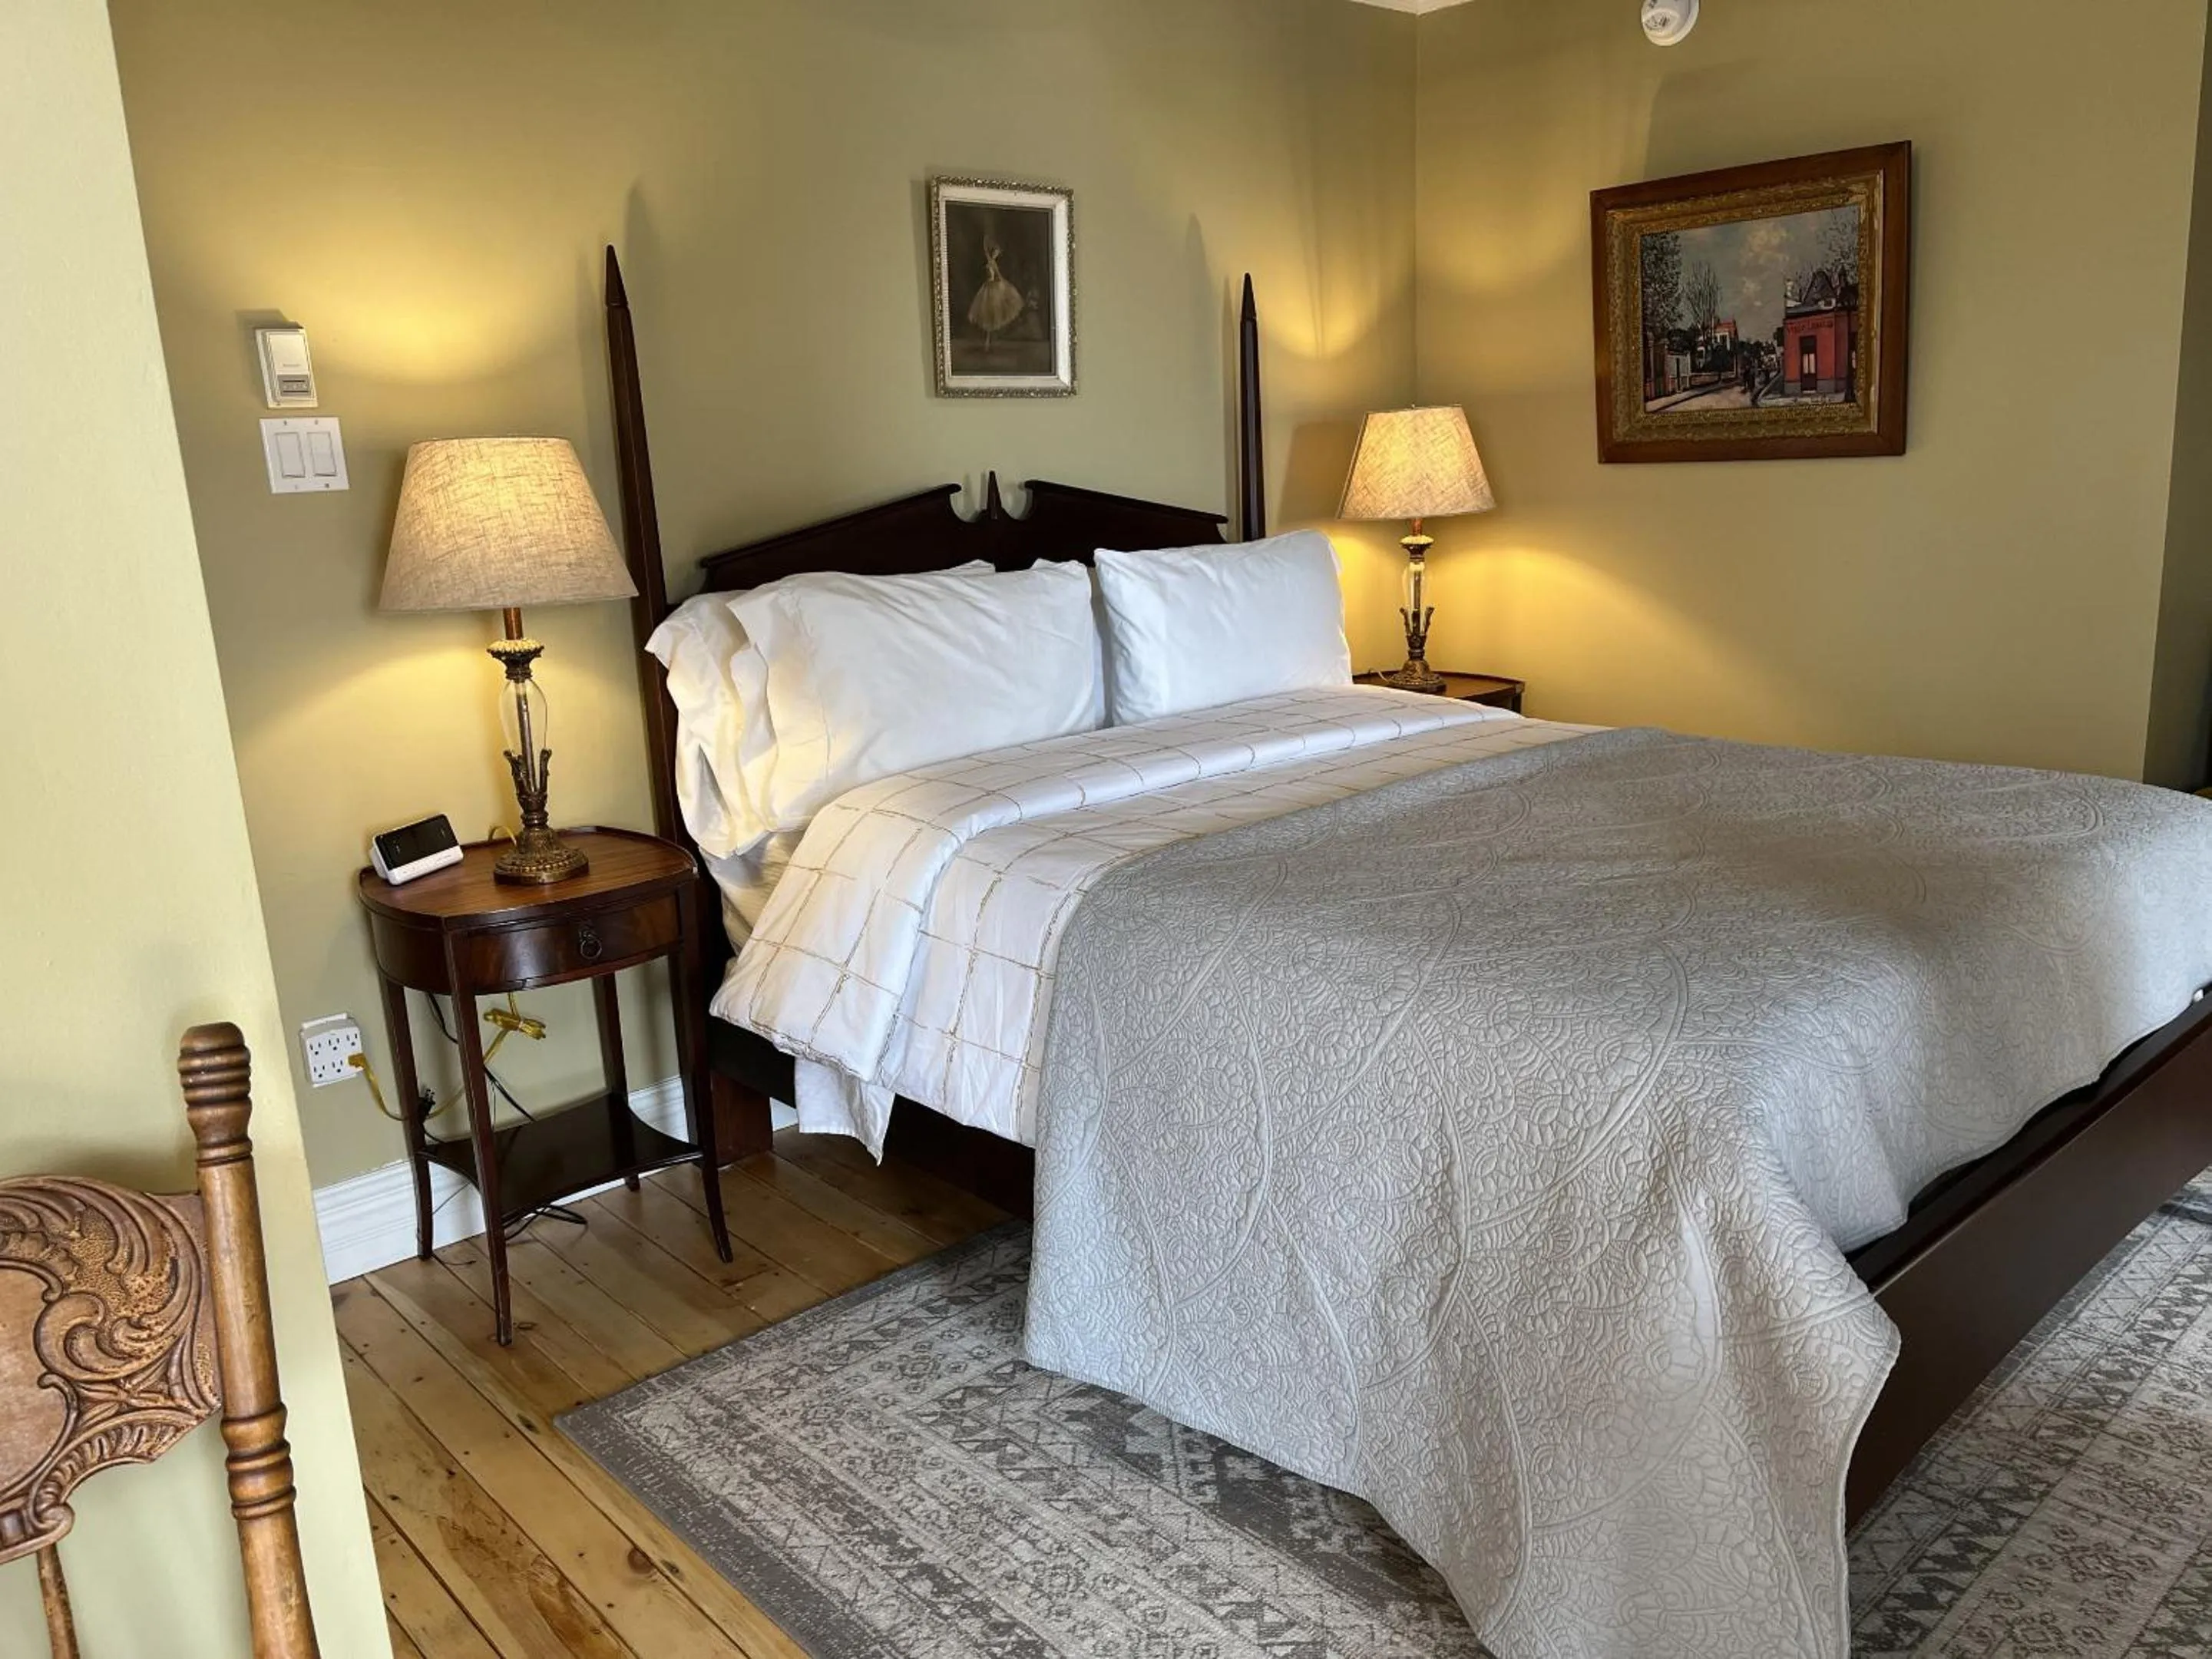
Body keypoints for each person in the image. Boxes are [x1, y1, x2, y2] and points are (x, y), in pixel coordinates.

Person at [967, 238, 1024, 353]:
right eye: (995, 252)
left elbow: (997, 275)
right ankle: (988, 342)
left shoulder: (993, 263)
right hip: (989, 288)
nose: (996, 254)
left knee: (993, 314)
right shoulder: (990, 261)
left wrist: (1002, 282)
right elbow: (987, 255)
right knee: (988, 314)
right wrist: (985, 243)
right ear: (993, 252)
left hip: (993, 287)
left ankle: (990, 342)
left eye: (997, 253)